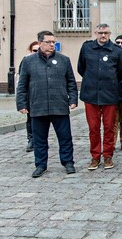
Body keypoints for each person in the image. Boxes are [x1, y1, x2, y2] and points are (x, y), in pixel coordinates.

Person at [16, 30, 78, 178]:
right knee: (39, 139)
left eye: (53, 42)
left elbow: (71, 82)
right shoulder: (28, 61)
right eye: (48, 42)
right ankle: (41, 164)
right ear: (39, 43)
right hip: (38, 106)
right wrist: (22, 104)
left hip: (59, 105)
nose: (52, 45)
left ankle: (68, 162)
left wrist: (73, 99)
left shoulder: (64, 60)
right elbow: (22, 85)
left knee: (65, 137)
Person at [78, 24, 122, 170]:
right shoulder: (86, 48)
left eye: (105, 33)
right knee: (93, 128)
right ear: (95, 33)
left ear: (110, 34)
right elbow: (81, 68)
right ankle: (95, 156)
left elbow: (121, 72)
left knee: (109, 127)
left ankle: (108, 155)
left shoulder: (116, 51)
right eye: (100, 33)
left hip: (109, 95)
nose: (103, 36)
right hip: (91, 94)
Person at [19, 41, 40, 152]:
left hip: (41, 94)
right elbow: (22, 81)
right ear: (30, 51)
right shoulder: (26, 61)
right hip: (30, 95)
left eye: (38, 50)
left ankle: (40, 140)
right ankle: (31, 139)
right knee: (30, 118)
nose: (36, 52)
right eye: (34, 50)